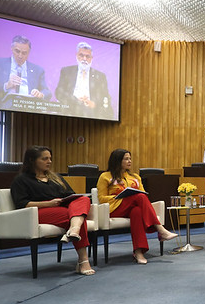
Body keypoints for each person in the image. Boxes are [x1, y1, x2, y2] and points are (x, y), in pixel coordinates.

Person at [9, 146, 94, 275]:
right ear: (32, 160)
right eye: (44, 159)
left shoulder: (56, 177)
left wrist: (69, 200)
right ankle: (83, 260)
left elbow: (71, 194)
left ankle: (74, 229)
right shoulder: (21, 180)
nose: (49, 161)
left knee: (83, 199)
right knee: (73, 215)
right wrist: (48, 203)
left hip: (60, 207)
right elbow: (22, 204)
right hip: (38, 212)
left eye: (50, 158)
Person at [97, 149, 178, 263]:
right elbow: (101, 198)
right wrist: (120, 196)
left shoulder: (135, 177)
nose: (129, 161)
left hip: (131, 207)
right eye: (126, 159)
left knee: (137, 211)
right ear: (117, 160)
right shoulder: (105, 176)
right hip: (114, 208)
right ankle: (160, 229)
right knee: (139, 197)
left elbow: (143, 194)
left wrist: (131, 196)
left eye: (130, 158)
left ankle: (139, 252)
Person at [0, 35, 50, 108]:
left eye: (24, 53)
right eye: (17, 51)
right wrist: (6, 86)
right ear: (11, 48)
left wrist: (40, 94)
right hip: (3, 107)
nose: (20, 56)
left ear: (29, 52)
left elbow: (47, 92)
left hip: (29, 108)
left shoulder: (38, 70)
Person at [55, 42, 114, 119]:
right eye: (81, 55)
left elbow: (105, 97)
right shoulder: (67, 71)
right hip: (70, 109)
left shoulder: (100, 76)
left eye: (87, 56)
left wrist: (94, 104)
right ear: (76, 56)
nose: (84, 59)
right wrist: (76, 100)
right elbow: (59, 92)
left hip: (91, 113)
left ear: (92, 58)